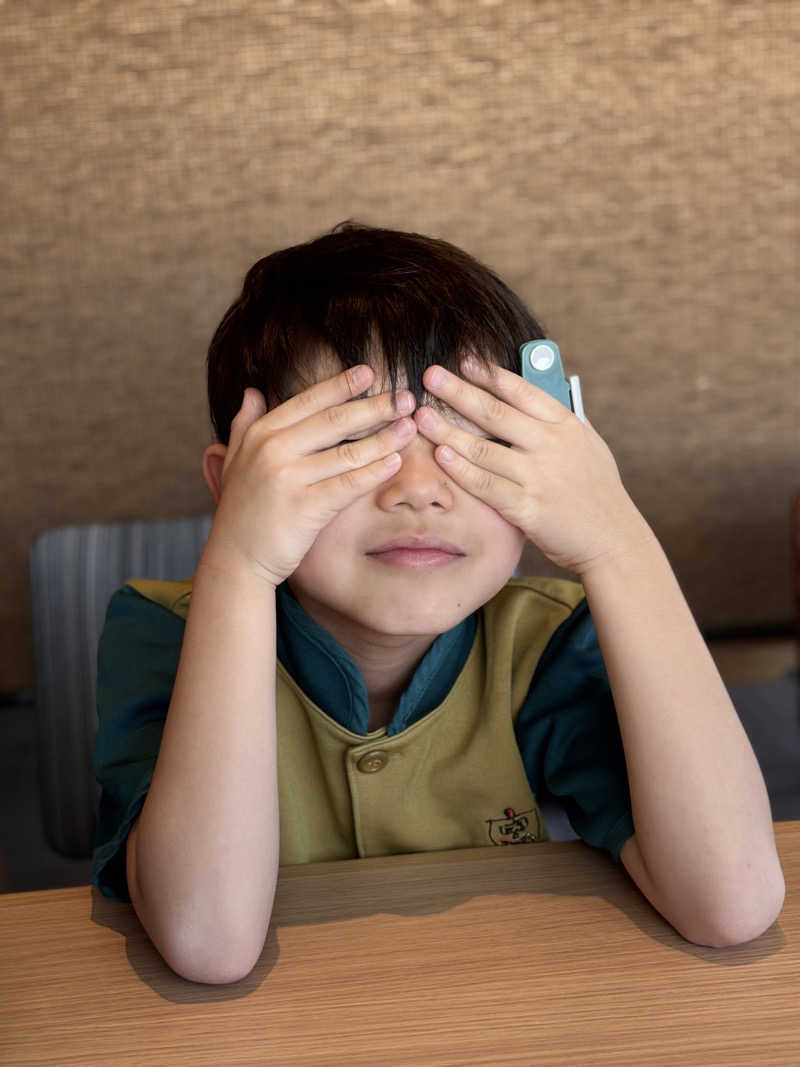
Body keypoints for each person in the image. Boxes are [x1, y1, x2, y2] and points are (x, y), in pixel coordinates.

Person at [92, 222, 784, 984]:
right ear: (234, 484)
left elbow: (732, 900)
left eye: (471, 440)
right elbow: (208, 941)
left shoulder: (545, 644)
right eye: (352, 442)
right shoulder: (162, 631)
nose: (417, 488)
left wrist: (616, 539)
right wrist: (241, 559)